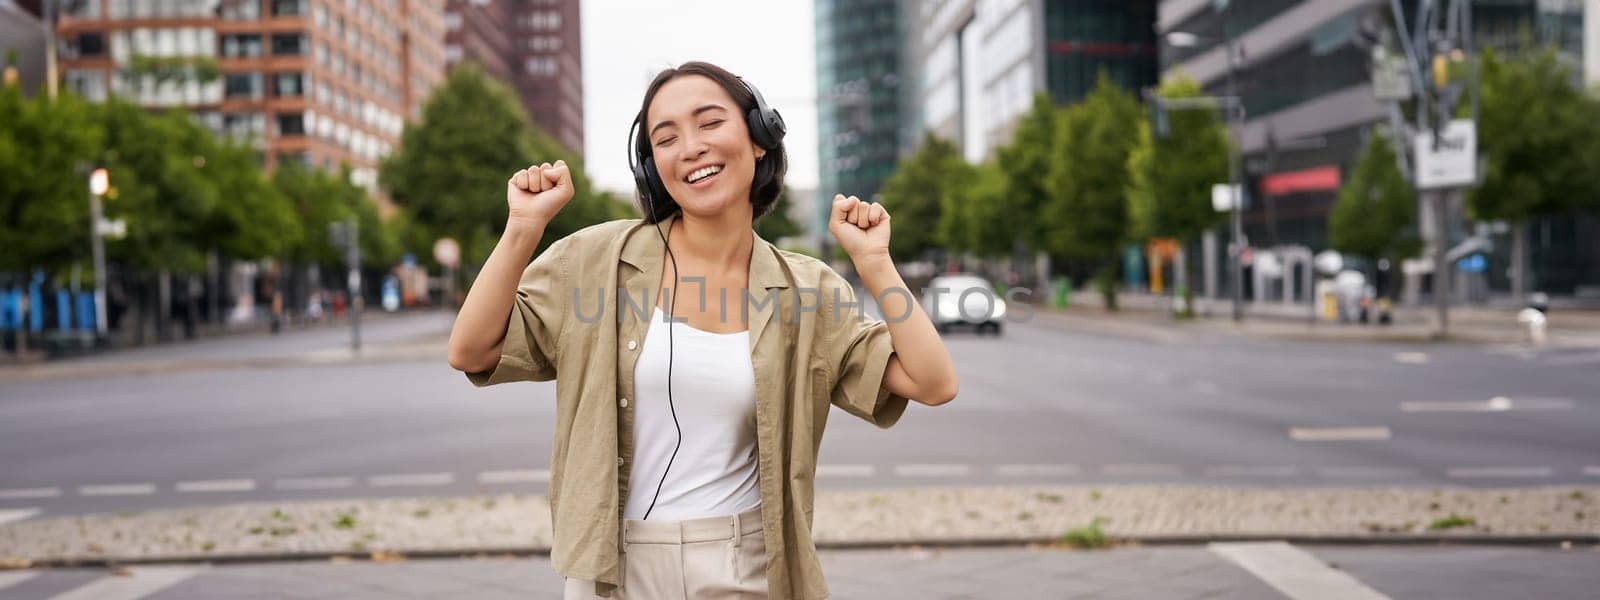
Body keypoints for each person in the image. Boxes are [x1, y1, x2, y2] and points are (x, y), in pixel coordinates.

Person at [447, 61, 959, 600]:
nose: (690, 146)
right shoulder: (596, 259)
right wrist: (522, 229)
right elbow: (472, 350)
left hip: (745, 565)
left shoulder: (807, 291)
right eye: (665, 138)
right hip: (610, 569)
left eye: (709, 123)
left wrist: (877, 266)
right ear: (652, 167)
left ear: (759, 139)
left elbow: (933, 382)